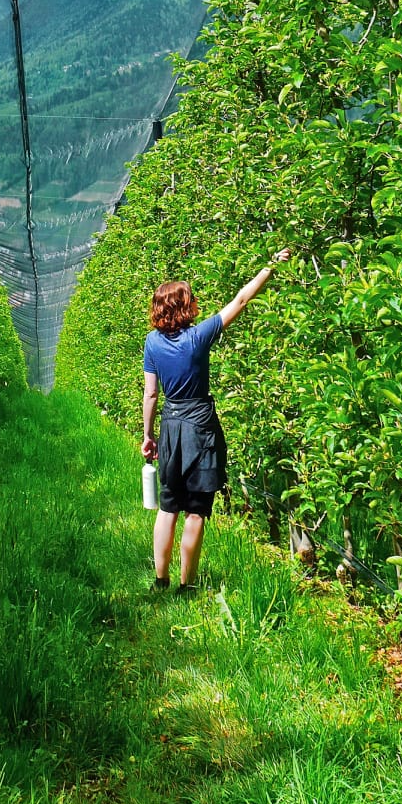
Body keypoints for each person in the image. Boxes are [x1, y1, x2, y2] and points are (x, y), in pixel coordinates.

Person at [140, 249, 292, 594]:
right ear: (184, 306)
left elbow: (151, 395)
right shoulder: (199, 337)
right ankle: (186, 585)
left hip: (171, 426)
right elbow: (240, 300)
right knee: (195, 511)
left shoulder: (152, 342)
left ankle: (160, 580)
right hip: (201, 426)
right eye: (191, 299)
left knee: (168, 508)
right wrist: (270, 266)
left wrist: (148, 435)